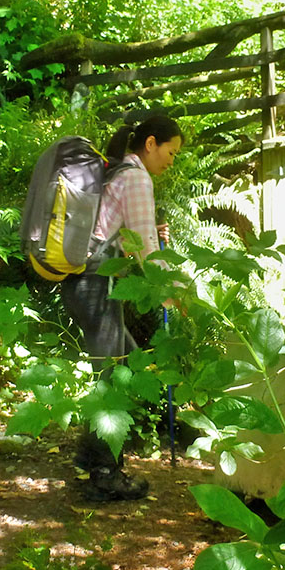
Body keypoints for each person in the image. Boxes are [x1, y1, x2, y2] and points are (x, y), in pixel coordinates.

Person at [61, 114, 183, 501]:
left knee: (125, 363)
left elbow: (128, 241)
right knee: (114, 375)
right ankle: (104, 473)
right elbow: (146, 250)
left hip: (85, 279)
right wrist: (172, 290)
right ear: (150, 144)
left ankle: (89, 454)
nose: (171, 161)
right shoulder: (136, 178)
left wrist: (148, 238)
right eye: (171, 152)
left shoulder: (121, 173)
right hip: (93, 282)